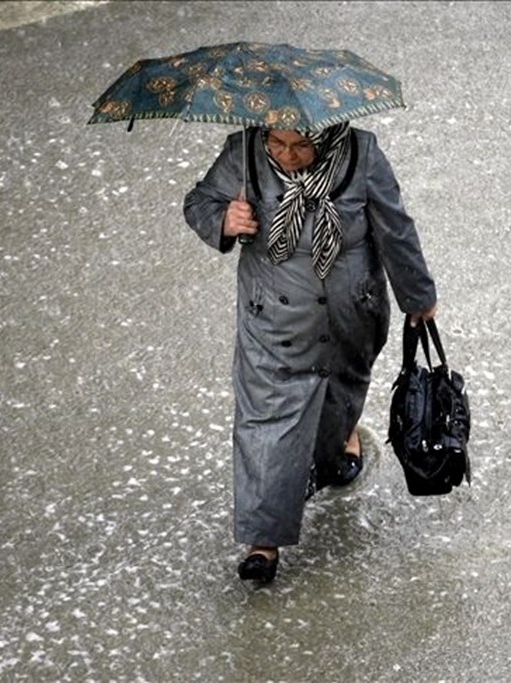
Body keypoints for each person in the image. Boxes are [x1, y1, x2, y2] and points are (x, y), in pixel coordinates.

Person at [183, 121, 438, 583]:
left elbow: (394, 228)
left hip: (349, 313)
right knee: (266, 419)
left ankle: (338, 448)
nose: (288, 155)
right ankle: (264, 543)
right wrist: (224, 220)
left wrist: (418, 299)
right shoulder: (243, 151)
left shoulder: (361, 154)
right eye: (277, 143)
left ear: (323, 138)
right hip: (272, 319)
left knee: (336, 398)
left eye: (301, 146)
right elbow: (199, 202)